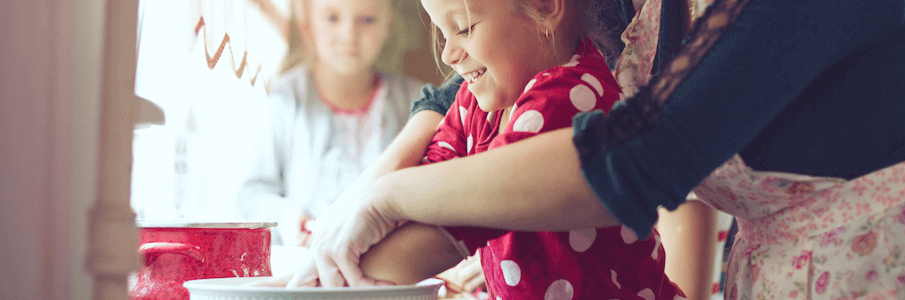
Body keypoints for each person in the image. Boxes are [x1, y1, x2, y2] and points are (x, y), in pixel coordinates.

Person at [284, 0, 690, 298]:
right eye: (442, 33)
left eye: (463, 28)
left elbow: (444, 229)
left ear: (545, 6)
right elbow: (431, 173)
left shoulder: (568, 96)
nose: (448, 53)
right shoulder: (478, 100)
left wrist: (313, 283)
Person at [235, 0, 424, 246]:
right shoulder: (284, 98)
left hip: (392, 266)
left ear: (388, 23)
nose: (348, 35)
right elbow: (253, 193)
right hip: (305, 264)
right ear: (308, 21)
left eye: (367, 20)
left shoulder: (419, 103)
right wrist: (290, 219)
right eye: (332, 18)